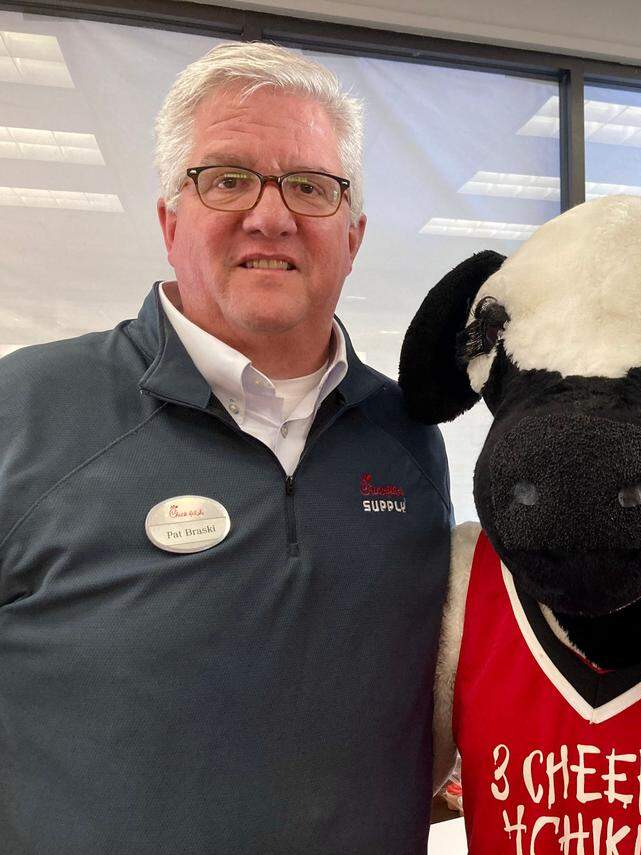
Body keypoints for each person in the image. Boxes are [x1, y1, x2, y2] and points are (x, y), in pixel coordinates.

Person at [0, 43, 451, 854]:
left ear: (353, 235)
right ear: (171, 221)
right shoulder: (23, 410)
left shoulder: (409, 432)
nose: (270, 215)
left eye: (311, 186)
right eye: (229, 178)